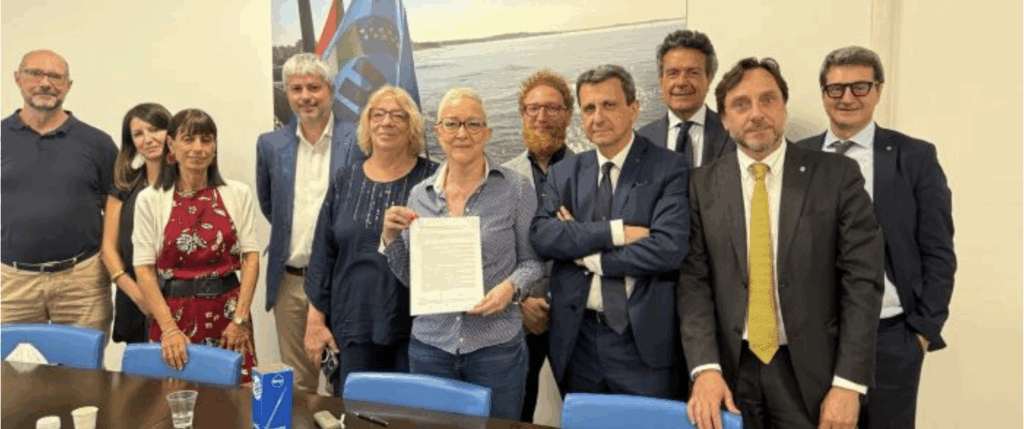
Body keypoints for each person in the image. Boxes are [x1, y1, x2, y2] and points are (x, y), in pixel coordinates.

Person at [679, 57, 884, 429]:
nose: (756, 114)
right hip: (730, 371)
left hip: (814, 375)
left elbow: (863, 283)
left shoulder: (836, 176)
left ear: (784, 107)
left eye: (767, 99)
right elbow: (694, 283)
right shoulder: (701, 185)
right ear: (724, 120)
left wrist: (849, 384)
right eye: (741, 104)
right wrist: (705, 368)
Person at [795, 46, 956, 429]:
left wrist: (921, 332)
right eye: (836, 89)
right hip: (814, 338)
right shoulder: (797, 157)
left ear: (878, 90)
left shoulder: (914, 157)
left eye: (860, 87)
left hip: (890, 337)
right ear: (823, 94)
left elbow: (938, 251)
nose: (847, 97)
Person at [530, 65, 690, 400]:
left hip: (642, 343)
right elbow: (544, 236)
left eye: (609, 105)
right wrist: (615, 232)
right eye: (589, 108)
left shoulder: (669, 167)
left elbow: (667, 247)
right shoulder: (564, 173)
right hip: (578, 343)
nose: (598, 117)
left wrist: (589, 256)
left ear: (634, 108)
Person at [381, 87, 542, 420]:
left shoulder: (516, 189)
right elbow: (413, 278)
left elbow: (532, 262)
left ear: (487, 132)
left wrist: (510, 288)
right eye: (452, 124)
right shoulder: (419, 196)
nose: (462, 133)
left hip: (495, 348)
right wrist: (390, 238)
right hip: (431, 347)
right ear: (438, 132)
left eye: (473, 124)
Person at [304, 85, 437, 397]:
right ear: (366, 124)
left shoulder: (434, 180)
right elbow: (323, 254)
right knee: (355, 413)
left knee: (412, 413)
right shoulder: (345, 179)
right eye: (378, 114)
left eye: (398, 115)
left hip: (418, 329)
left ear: (413, 126)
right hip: (352, 325)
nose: (386, 122)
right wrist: (315, 322)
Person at [256, 53, 364, 393]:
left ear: (330, 90)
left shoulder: (359, 139)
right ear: (287, 93)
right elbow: (271, 208)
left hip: (343, 282)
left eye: (314, 87)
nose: (305, 96)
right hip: (291, 282)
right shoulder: (270, 145)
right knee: (298, 383)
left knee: (342, 383)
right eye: (296, 88)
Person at [133, 108, 260, 383]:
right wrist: (169, 329)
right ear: (171, 145)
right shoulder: (150, 199)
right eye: (188, 139)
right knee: (176, 396)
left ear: (215, 146)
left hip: (230, 317)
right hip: (173, 320)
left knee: (237, 397)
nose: (198, 148)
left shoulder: (238, 193)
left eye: (206, 140)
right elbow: (143, 269)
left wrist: (240, 319)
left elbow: (250, 257)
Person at [1, 49, 116, 336]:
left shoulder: (98, 144)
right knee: (10, 364)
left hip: (82, 283)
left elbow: (116, 212)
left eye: (55, 76)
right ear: (17, 78)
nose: (45, 83)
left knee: (83, 363)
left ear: (68, 85)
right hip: (11, 284)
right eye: (35, 73)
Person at [502, 70, 575, 422]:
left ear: (568, 115)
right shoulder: (501, 178)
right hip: (520, 321)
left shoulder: (592, 171)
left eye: (552, 108)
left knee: (585, 412)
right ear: (522, 114)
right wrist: (518, 304)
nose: (541, 116)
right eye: (533, 108)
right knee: (516, 414)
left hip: (578, 320)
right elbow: (491, 252)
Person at [101, 103, 172, 343]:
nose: (148, 139)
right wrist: (138, 295)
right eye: (138, 134)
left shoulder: (190, 183)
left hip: (180, 295)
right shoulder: (123, 185)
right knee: (140, 365)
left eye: (155, 130)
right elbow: (108, 249)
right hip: (135, 296)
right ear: (131, 142)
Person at [638, 30, 733, 168]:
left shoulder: (732, 132)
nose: (681, 82)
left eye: (693, 72)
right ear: (661, 81)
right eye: (672, 73)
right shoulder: (642, 140)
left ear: (709, 79)